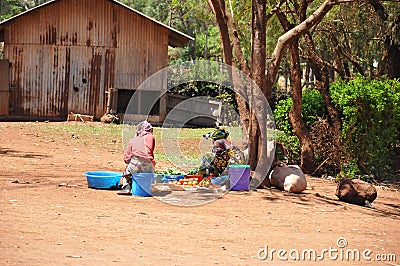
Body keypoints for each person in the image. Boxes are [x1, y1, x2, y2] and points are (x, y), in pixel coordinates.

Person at [120, 120, 156, 193]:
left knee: (127, 171)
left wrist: (128, 163)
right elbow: (150, 153)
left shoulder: (133, 140)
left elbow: (127, 158)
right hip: (149, 166)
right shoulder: (151, 137)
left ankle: (126, 187)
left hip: (136, 164)